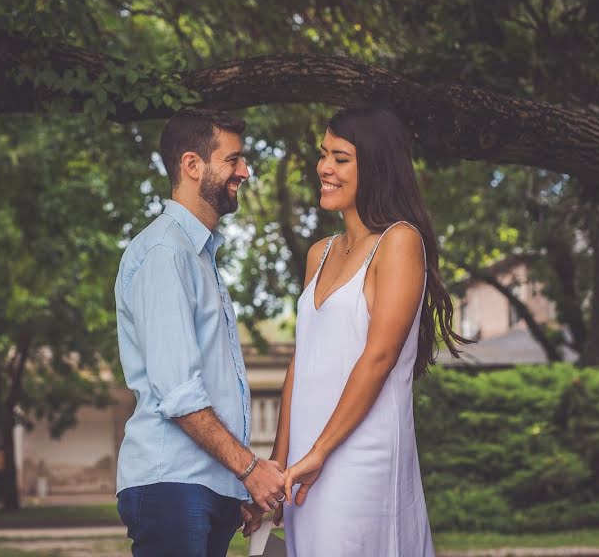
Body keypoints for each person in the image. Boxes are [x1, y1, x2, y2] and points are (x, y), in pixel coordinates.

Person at [272, 107, 468, 556]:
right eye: (324, 155)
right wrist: (278, 463)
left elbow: (378, 358)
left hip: (360, 456)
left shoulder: (400, 242)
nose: (324, 167)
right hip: (306, 460)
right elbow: (301, 363)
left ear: (375, 164)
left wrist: (320, 451)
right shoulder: (318, 253)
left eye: (341, 158)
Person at [113, 109, 285, 557]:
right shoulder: (165, 252)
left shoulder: (200, 255)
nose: (245, 172)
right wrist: (249, 469)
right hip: (172, 484)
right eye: (234, 160)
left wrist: (235, 482)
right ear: (192, 165)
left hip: (204, 484)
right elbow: (179, 392)